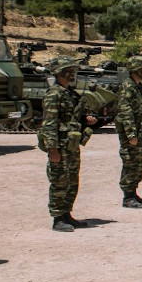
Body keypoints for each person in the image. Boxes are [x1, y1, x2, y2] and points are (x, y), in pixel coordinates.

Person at [40, 56, 97, 231]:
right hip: (60, 146)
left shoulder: (69, 93)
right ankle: (58, 218)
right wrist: (53, 149)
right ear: (61, 73)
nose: (73, 73)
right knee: (59, 181)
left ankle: (66, 213)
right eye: (70, 70)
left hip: (71, 145)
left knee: (72, 180)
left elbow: (71, 117)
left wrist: (85, 119)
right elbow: (49, 124)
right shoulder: (54, 94)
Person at [116, 55, 142, 208]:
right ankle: (127, 196)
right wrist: (131, 134)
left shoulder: (138, 86)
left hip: (141, 131)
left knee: (139, 163)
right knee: (130, 162)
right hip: (133, 133)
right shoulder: (127, 86)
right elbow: (126, 112)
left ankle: (133, 192)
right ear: (136, 70)